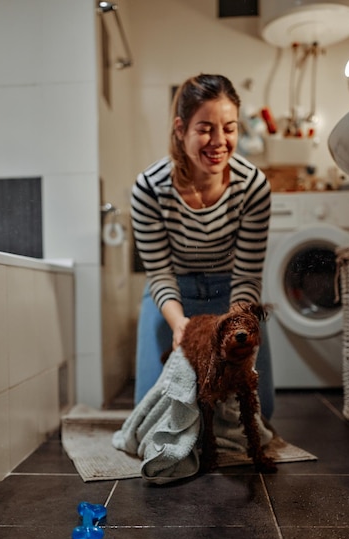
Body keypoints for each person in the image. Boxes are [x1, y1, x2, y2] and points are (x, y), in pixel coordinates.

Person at [132, 73, 274, 420]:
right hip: (172, 295)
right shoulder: (149, 189)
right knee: (154, 410)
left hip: (231, 294)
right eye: (205, 128)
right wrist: (180, 324)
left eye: (229, 127)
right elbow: (160, 273)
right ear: (180, 129)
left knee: (257, 414)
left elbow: (247, 274)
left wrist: (237, 324)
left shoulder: (253, 187)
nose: (219, 141)